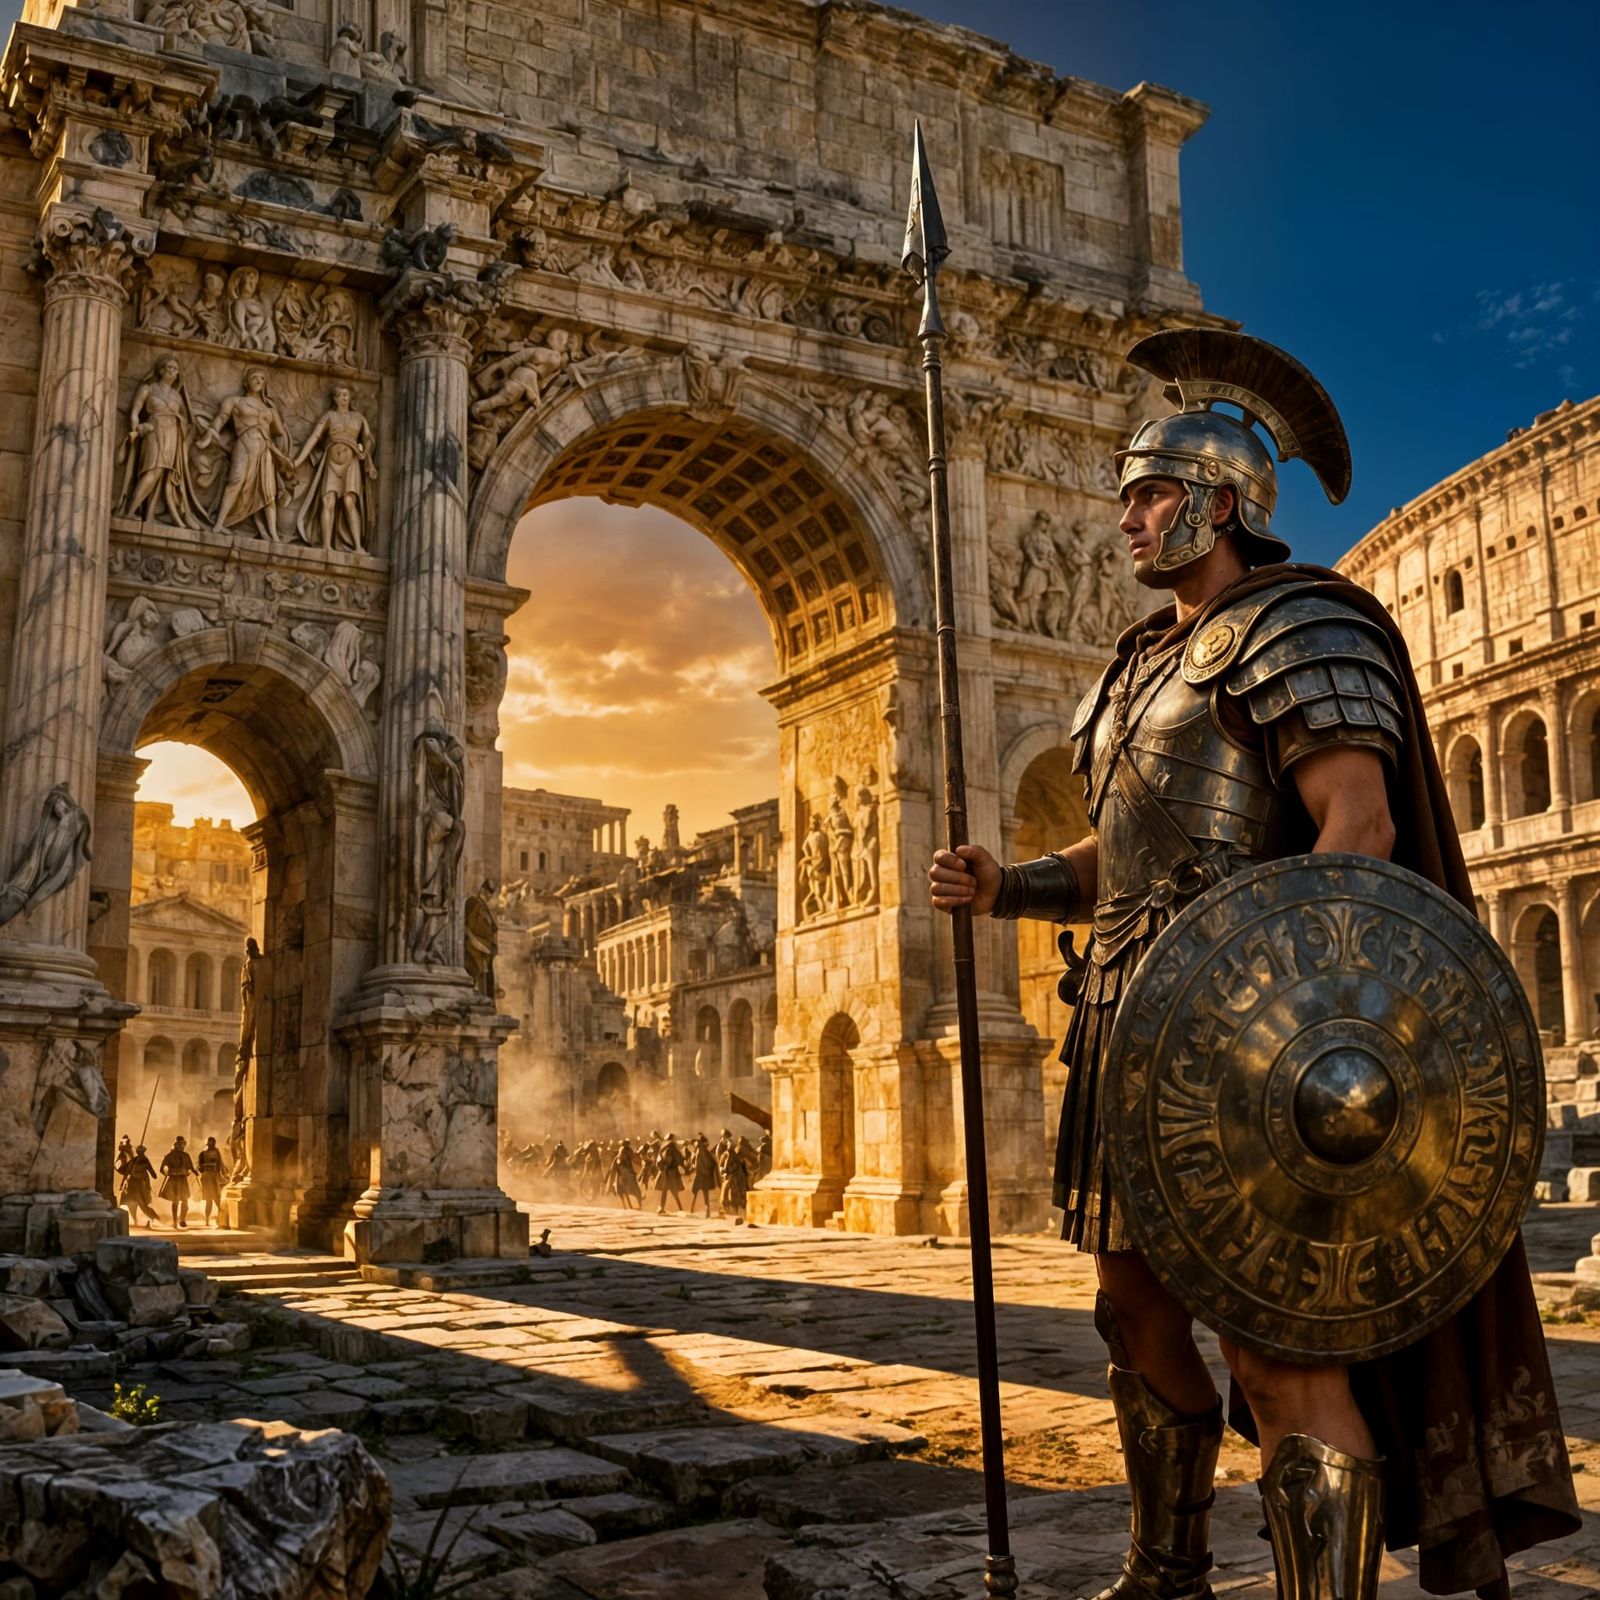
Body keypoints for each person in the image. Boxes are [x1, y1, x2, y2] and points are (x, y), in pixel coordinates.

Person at [928, 329, 1578, 1600]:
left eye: (1152, 493)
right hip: (1123, 1021)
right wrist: (1014, 885)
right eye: (1124, 494)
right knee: (1132, 1313)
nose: (1125, 516)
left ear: (1221, 504)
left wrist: (1299, 1031)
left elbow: (1360, 829)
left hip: (1255, 1043)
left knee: (1285, 1354)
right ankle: (1164, 1567)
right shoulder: (1130, 672)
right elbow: (1117, 855)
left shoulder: (1295, 627)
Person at [158, 1135, 198, 1230]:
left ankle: (182, 1220)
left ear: (184, 1145)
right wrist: (167, 1172)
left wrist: (194, 1171)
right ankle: (175, 1221)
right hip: (173, 1180)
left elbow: (191, 1167)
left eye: (182, 1144)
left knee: (185, 1202)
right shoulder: (169, 1156)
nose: (180, 1146)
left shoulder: (186, 1156)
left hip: (183, 1180)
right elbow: (162, 1168)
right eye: (178, 1144)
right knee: (175, 1202)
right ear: (175, 1145)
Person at [118, 1141, 160, 1228]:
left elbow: (153, 1174)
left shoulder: (145, 1161)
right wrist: (122, 1184)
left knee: (142, 1204)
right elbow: (126, 1172)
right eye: (139, 1152)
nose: (140, 1154)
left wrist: (147, 1174)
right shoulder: (133, 1161)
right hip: (132, 1184)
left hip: (141, 1185)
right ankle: (135, 1220)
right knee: (131, 1203)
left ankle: (155, 1218)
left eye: (141, 1152)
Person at [197, 1135, 226, 1228]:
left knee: (218, 1200)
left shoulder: (217, 1152)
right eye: (210, 1142)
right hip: (207, 1178)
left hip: (215, 1178)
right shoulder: (203, 1153)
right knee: (209, 1201)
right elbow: (199, 1166)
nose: (211, 1144)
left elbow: (220, 1165)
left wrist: (222, 1175)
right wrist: (205, 1171)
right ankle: (207, 1220)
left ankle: (221, 1219)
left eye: (212, 1142)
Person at [689, 1133, 718, 1217]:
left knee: (696, 1192)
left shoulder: (700, 1150)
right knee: (704, 1193)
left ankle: (693, 1209)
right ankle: (705, 1212)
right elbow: (708, 1163)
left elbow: (707, 1162)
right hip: (703, 1175)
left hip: (702, 1175)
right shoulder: (701, 1150)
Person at [654, 1134, 685, 1214]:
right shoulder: (673, 1149)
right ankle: (680, 1209)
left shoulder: (663, 1149)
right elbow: (679, 1160)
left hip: (664, 1173)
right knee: (674, 1192)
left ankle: (661, 1208)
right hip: (671, 1173)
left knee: (665, 1191)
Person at [610, 1140, 642, 1210]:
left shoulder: (619, 1156)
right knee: (636, 1193)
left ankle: (627, 1206)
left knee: (623, 1193)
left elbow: (613, 1171)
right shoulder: (631, 1153)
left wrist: (610, 1185)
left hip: (623, 1179)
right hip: (629, 1178)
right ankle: (638, 1205)